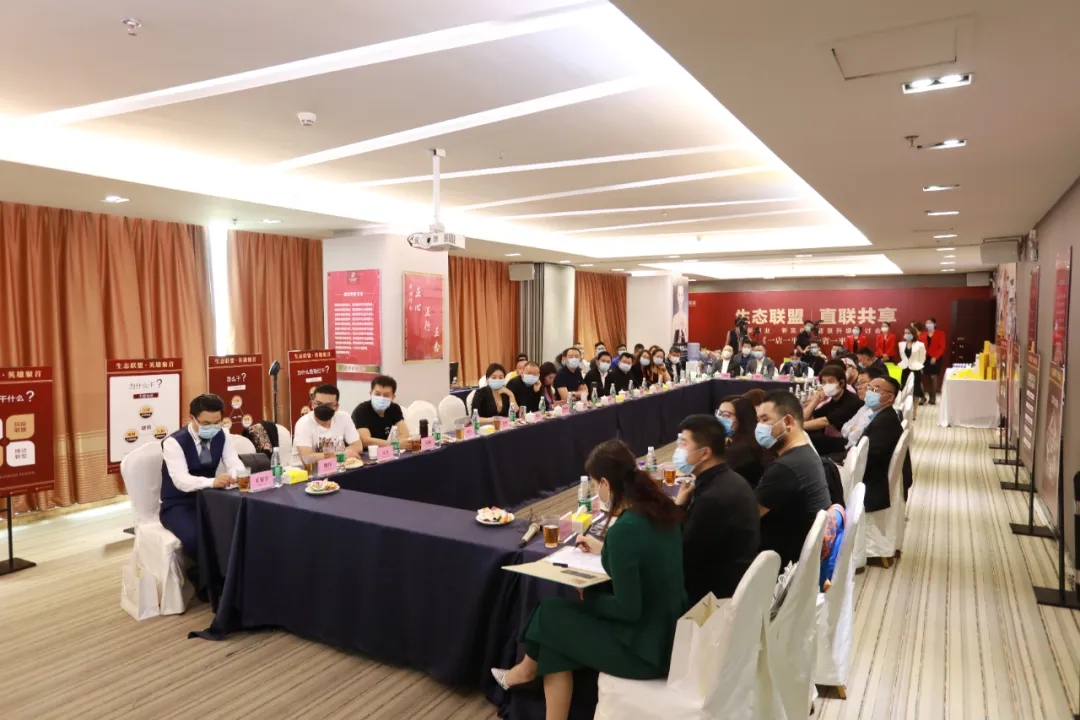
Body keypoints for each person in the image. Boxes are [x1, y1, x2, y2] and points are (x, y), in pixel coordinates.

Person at [491, 440, 687, 718]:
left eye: (595, 485)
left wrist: (590, 596)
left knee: (548, 614)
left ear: (605, 483)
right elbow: (645, 558)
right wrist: (603, 549)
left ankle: (523, 672)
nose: (597, 492)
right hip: (669, 635)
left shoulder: (625, 530)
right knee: (553, 635)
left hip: (643, 651)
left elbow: (629, 610)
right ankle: (527, 678)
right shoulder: (662, 510)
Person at [673, 415, 760, 603]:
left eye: (683, 444)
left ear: (705, 453)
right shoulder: (730, 479)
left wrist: (677, 508)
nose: (678, 450)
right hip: (735, 581)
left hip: (714, 597)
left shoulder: (714, 497)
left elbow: (681, 553)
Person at [160, 394, 245, 561]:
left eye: (217, 422)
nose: (212, 428)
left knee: (237, 529)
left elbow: (234, 462)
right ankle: (204, 576)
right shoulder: (174, 443)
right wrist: (212, 482)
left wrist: (236, 476)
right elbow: (181, 480)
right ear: (192, 418)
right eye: (206, 424)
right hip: (179, 505)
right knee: (196, 538)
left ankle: (231, 574)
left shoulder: (223, 434)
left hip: (210, 500)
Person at [754, 391, 832, 567]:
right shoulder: (805, 451)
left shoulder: (786, 467)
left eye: (765, 420)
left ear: (788, 421)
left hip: (783, 561)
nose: (759, 427)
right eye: (758, 420)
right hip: (803, 553)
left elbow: (749, 516)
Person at [859, 376, 904, 514]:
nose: (869, 393)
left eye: (875, 390)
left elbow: (870, 457)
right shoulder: (883, 416)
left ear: (890, 398)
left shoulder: (884, 423)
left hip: (870, 484)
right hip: (872, 475)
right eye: (869, 388)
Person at [802, 365, 863, 456]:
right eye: (824, 382)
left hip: (850, 443)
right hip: (838, 438)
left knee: (811, 438)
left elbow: (824, 421)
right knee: (807, 433)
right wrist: (815, 401)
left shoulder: (851, 401)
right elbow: (806, 418)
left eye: (830, 381)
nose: (827, 385)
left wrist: (797, 427)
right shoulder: (833, 400)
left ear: (841, 383)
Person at [295, 384, 363, 465]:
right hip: (306, 471)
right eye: (319, 404)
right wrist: (340, 455)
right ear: (313, 404)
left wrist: (332, 456)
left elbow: (358, 447)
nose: (323, 408)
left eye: (328, 405)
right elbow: (307, 459)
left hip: (335, 468)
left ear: (336, 407)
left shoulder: (344, 418)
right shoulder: (304, 423)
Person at [717, 395, 768, 487]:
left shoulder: (742, 449)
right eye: (719, 414)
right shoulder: (734, 441)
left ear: (742, 418)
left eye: (726, 415)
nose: (720, 419)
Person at [351, 376, 410, 448]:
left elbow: (404, 434)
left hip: (386, 451)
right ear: (371, 393)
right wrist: (394, 445)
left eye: (386, 395)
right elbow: (365, 441)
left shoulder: (394, 408)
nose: (381, 398)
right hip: (366, 453)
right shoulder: (361, 411)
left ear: (393, 397)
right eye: (377, 394)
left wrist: (393, 444)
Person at [840, 367, 885, 452]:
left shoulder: (878, 410)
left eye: (862, 383)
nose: (858, 387)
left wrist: (853, 429)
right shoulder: (866, 406)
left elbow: (855, 438)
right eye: (857, 384)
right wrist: (852, 429)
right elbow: (844, 429)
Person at [897, 325, 926, 417]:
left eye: (909, 333)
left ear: (913, 334)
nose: (907, 335)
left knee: (916, 390)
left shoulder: (920, 345)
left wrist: (917, 365)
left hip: (916, 369)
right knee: (904, 389)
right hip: (905, 369)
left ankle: (914, 411)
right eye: (905, 333)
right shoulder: (901, 344)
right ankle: (904, 409)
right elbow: (902, 356)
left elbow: (922, 358)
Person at [919, 318, 947, 405]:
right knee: (927, 377)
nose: (928, 325)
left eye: (930, 323)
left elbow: (942, 347)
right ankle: (929, 396)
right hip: (925, 358)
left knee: (933, 377)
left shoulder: (940, 333)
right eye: (926, 323)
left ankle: (933, 398)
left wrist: (935, 357)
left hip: (936, 357)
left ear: (934, 324)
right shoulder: (923, 334)